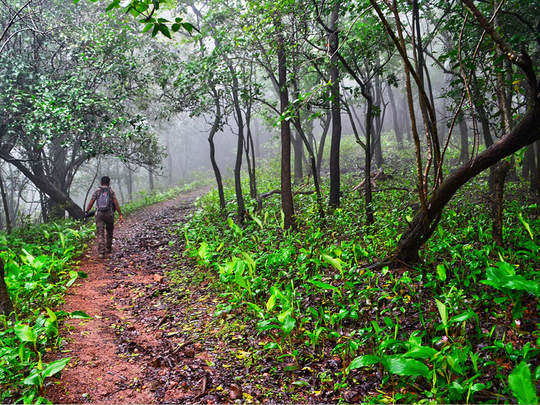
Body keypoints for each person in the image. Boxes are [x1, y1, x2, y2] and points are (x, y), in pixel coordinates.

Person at [86, 176, 123, 258]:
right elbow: (116, 203)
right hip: (109, 214)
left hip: (99, 214)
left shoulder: (97, 191)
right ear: (109, 183)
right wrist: (120, 214)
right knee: (109, 231)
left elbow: (91, 201)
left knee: (100, 233)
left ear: (101, 182)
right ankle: (108, 248)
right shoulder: (111, 191)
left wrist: (87, 211)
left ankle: (101, 253)